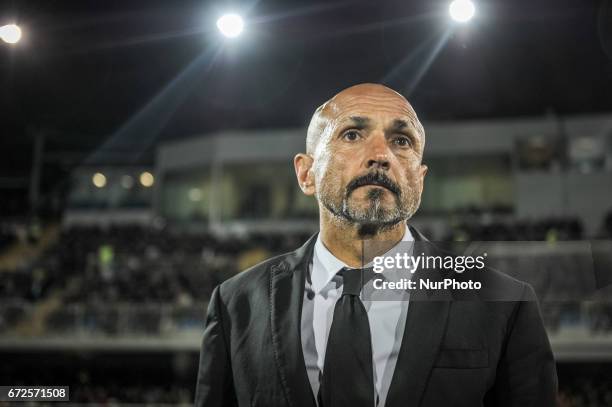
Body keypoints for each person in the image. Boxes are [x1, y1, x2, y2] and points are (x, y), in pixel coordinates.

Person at [194, 83, 558, 407]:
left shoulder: (505, 304)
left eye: (402, 141)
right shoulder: (235, 304)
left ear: (420, 178)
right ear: (306, 174)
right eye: (352, 135)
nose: (380, 155)